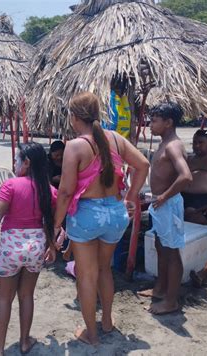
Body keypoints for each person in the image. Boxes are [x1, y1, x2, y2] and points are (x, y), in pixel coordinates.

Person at [54, 92, 149, 345]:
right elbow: (143, 165)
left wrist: (54, 225)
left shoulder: (75, 146)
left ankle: (91, 334)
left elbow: (64, 192)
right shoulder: (115, 139)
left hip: (87, 215)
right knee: (104, 268)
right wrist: (130, 197)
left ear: (74, 118)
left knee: (86, 275)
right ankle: (106, 321)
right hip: (116, 213)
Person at [0, 142, 57, 356]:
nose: (14, 163)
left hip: (11, 246)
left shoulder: (11, 185)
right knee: (27, 296)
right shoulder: (49, 190)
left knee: (3, 299)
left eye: (17, 159)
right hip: (36, 245)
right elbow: (50, 220)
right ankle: (25, 342)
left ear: (27, 163)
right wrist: (52, 246)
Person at [138, 102, 193, 315]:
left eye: (154, 121)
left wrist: (164, 196)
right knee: (162, 247)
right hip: (162, 204)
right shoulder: (165, 142)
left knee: (171, 252)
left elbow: (186, 176)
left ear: (168, 122)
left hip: (168, 204)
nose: (150, 125)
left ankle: (171, 301)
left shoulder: (172, 145)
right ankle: (160, 289)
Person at [182, 130, 207, 221]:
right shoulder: (189, 159)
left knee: (191, 213)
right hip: (185, 195)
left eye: (200, 142)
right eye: (194, 142)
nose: (197, 146)